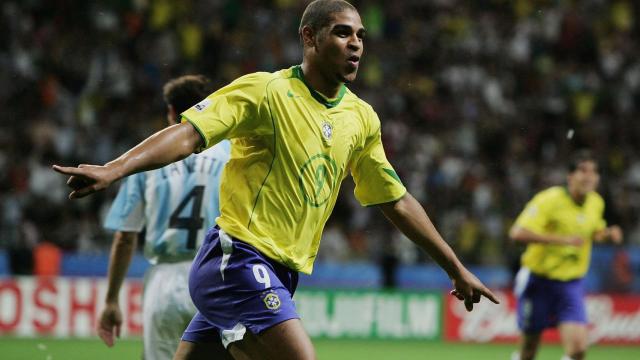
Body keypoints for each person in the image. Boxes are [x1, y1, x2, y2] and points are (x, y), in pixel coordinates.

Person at [54, 1, 499, 359]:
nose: (356, 44)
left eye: (361, 35)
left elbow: (395, 201)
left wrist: (454, 268)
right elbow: (190, 134)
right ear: (309, 37)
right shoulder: (265, 92)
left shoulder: (361, 119)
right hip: (237, 260)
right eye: (343, 32)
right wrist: (114, 169)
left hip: (280, 273)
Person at [96, 75, 232, 360]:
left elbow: (125, 236)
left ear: (171, 112)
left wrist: (111, 299)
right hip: (214, 275)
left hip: (164, 282)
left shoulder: (146, 159)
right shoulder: (231, 155)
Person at [509, 150, 623, 360]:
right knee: (528, 351)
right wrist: (561, 240)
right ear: (570, 176)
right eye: (583, 170)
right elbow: (517, 233)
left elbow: (593, 232)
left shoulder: (596, 202)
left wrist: (607, 234)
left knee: (578, 350)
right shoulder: (548, 200)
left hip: (570, 284)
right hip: (538, 281)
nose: (589, 176)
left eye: (594, 172)